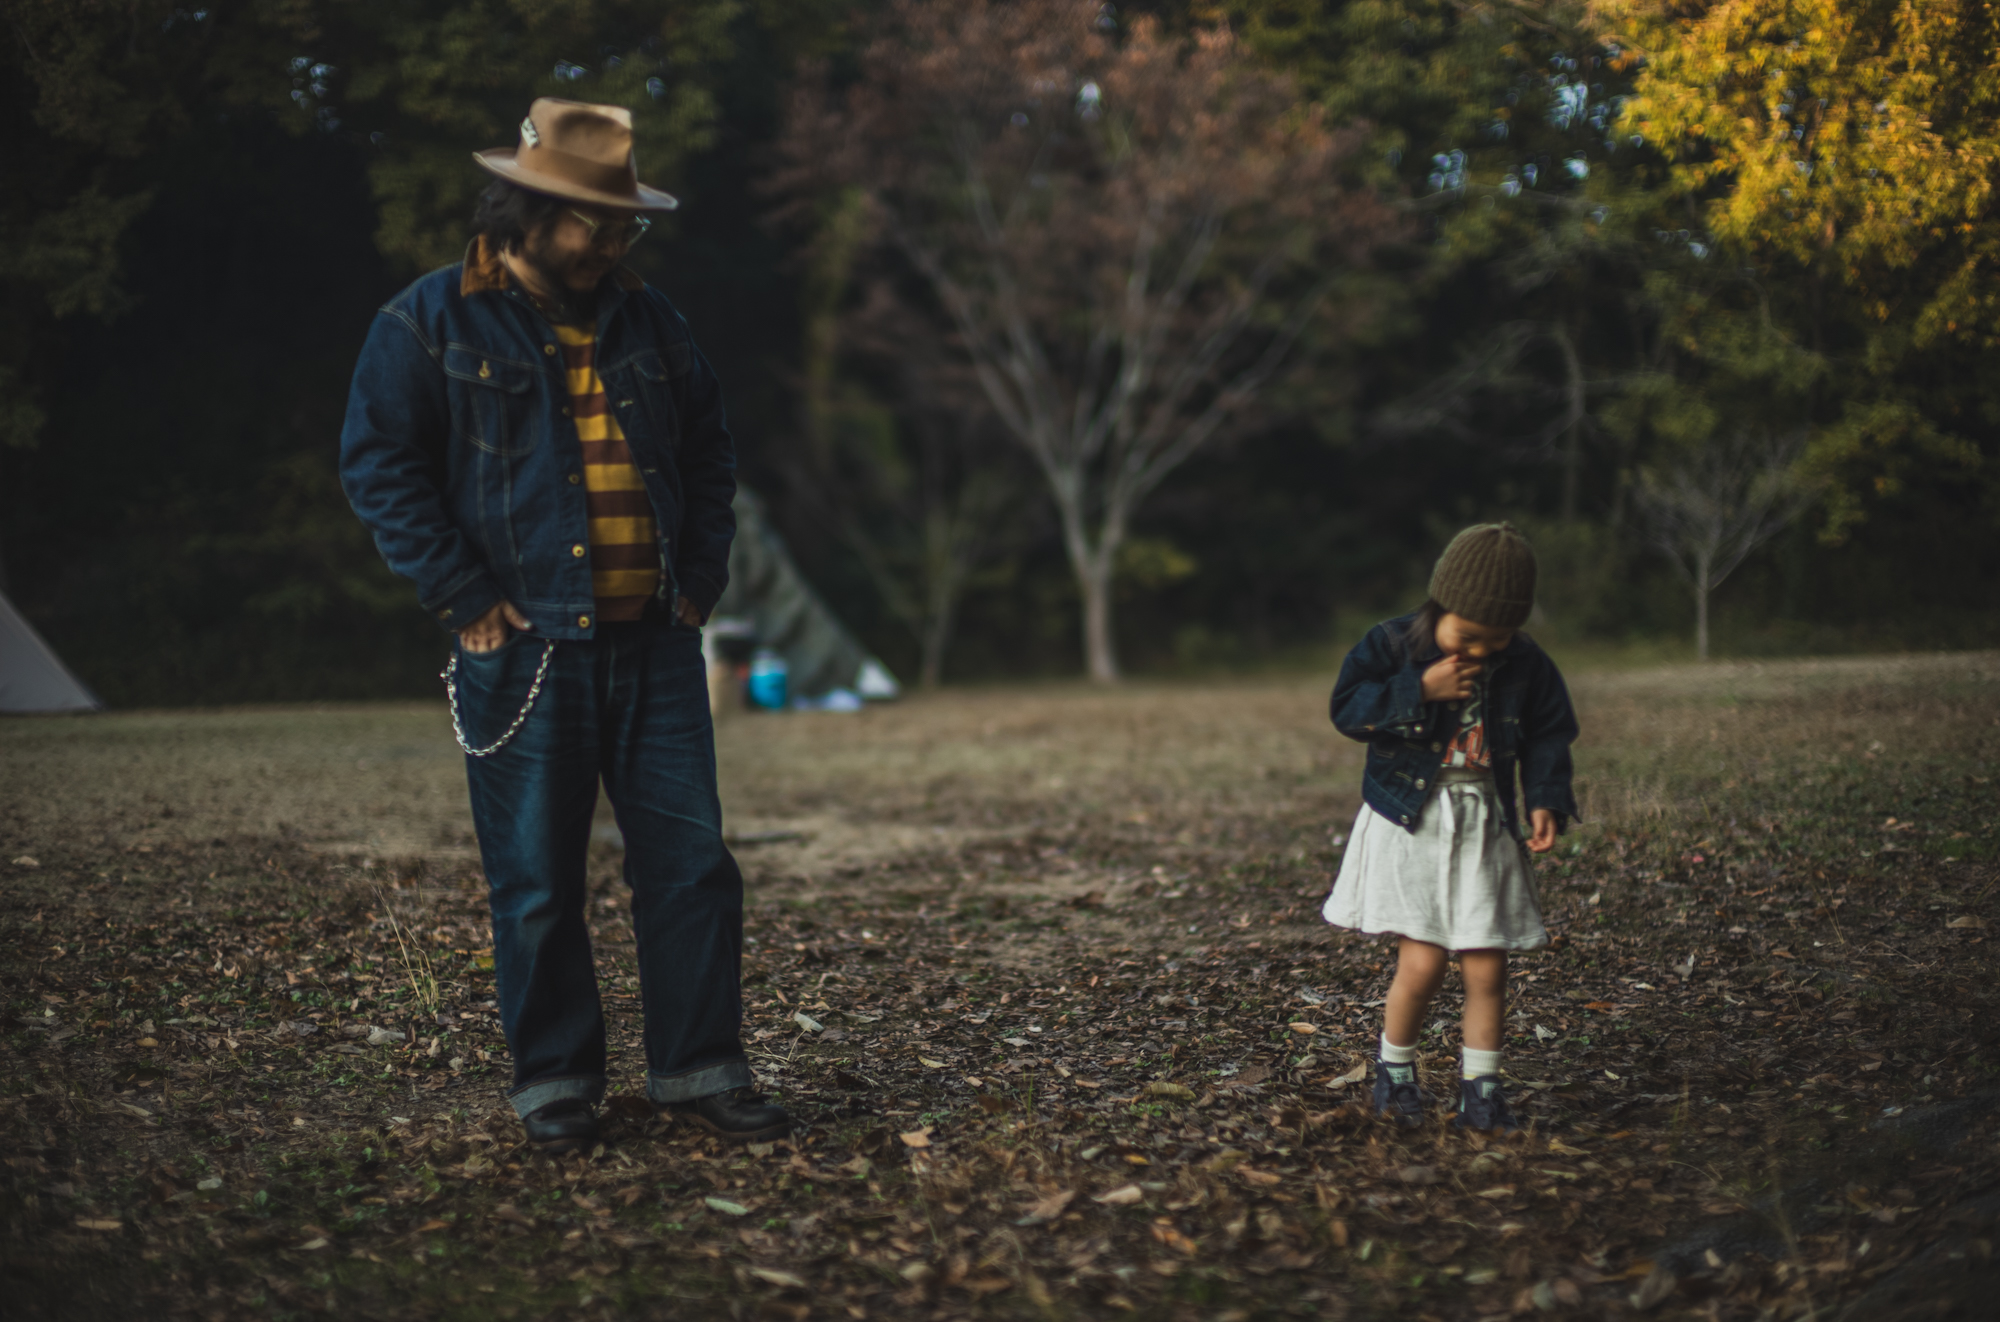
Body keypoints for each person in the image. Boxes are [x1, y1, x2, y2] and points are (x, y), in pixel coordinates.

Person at [339, 98, 788, 1152]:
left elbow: (710, 450)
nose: (616, 243)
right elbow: (379, 466)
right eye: (598, 222)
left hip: (656, 645)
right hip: (524, 648)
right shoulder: (427, 321)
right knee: (536, 882)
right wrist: (463, 597)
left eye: (628, 225)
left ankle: (701, 1069)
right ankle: (555, 1084)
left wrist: (701, 575)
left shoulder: (652, 319)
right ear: (527, 210)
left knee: (691, 868)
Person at [1322, 523, 1578, 1133]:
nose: (1483, 651)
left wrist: (1545, 799)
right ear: (1441, 603)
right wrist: (1418, 689)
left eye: (1498, 638)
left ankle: (1481, 1094)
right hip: (1414, 820)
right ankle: (1395, 1076)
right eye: (1468, 636)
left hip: (1484, 820)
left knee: (1488, 966)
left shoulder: (1526, 662)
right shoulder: (1391, 644)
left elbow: (1549, 731)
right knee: (1424, 962)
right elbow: (1347, 709)